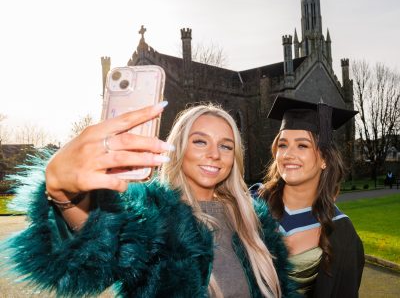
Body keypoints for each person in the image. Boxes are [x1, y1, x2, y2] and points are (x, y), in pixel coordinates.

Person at [3, 102, 297, 297]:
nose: (214, 154)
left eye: (225, 145)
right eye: (200, 141)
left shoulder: (254, 222)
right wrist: (63, 196)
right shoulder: (153, 217)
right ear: (179, 147)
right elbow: (99, 249)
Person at [259, 96, 365, 297]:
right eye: (282, 145)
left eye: (302, 145)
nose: (288, 154)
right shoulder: (251, 202)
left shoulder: (340, 230)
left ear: (324, 158)